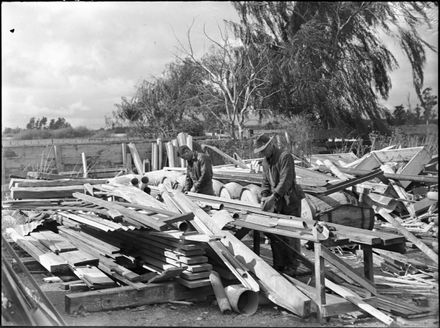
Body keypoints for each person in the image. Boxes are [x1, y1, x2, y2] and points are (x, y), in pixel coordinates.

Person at [253, 133, 305, 275]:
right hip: (277, 202)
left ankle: (293, 265)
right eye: (261, 152)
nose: (263, 154)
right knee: (276, 234)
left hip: (290, 201)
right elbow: (265, 181)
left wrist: (273, 196)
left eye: (264, 150)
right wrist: (264, 196)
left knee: (291, 234)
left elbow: (286, 180)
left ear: (270, 145)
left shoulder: (284, 157)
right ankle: (280, 264)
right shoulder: (265, 162)